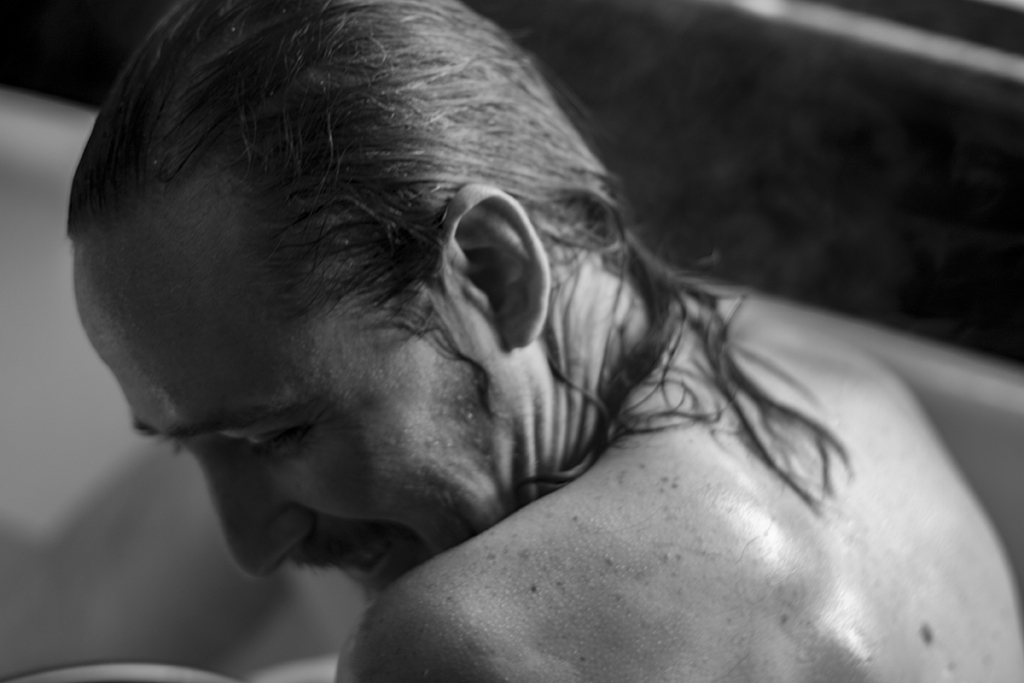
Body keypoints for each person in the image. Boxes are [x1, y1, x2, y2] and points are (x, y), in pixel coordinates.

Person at [66, 0, 1024, 680]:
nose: (251, 545)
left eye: (277, 435)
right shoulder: (846, 389)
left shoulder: (469, 638)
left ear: (493, 270)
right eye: (196, 444)